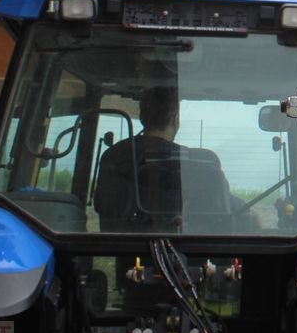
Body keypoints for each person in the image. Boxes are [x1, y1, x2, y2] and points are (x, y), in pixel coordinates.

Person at [93, 87, 230, 232]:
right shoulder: (202, 162)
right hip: (189, 251)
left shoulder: (114, 156)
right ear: (175, 119)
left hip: (125, 250)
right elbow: (220, 212)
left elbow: (106, 212)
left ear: (142, 117)